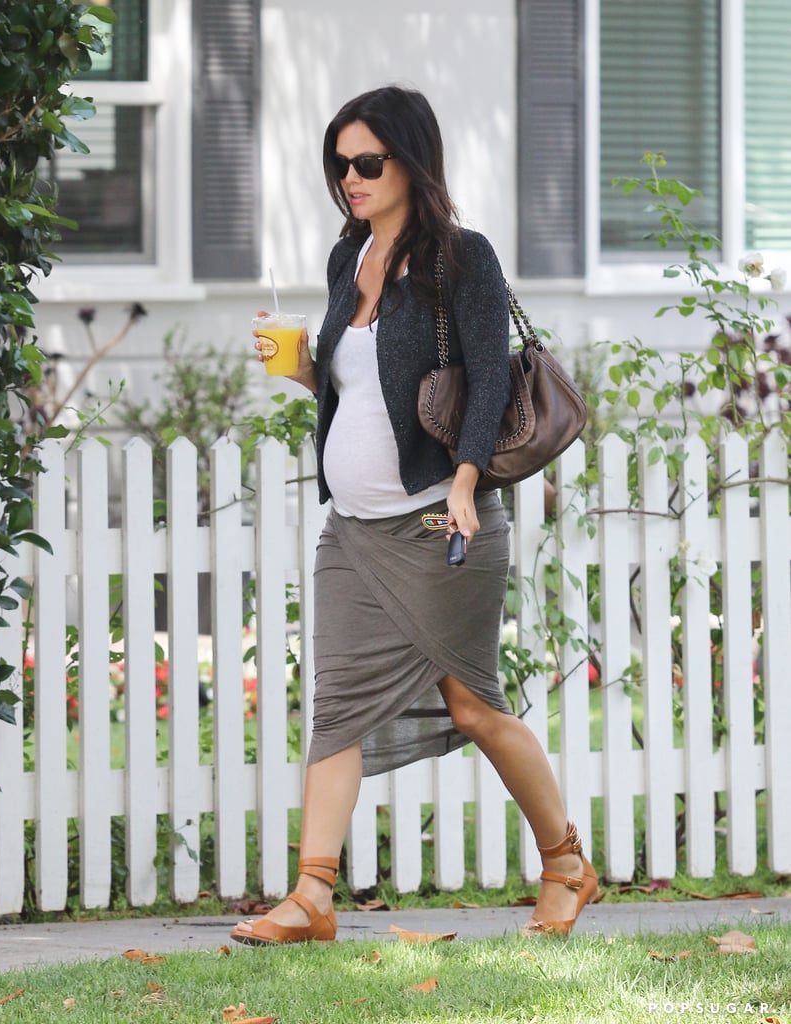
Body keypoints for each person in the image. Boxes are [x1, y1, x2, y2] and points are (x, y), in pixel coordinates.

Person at [230, 85, 597, 944]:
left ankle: (568, 863)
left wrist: (467, 482)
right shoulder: (344, 260)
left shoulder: (460, 259)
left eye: (367, 162)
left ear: (409, 161)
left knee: (472, 705)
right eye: (339, 163)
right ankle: (312, 896)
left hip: (442, 526)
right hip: (352, 533)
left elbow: (488, 379)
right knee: (338, 706)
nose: (349, 178)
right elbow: (361, 388)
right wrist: (299, 371)